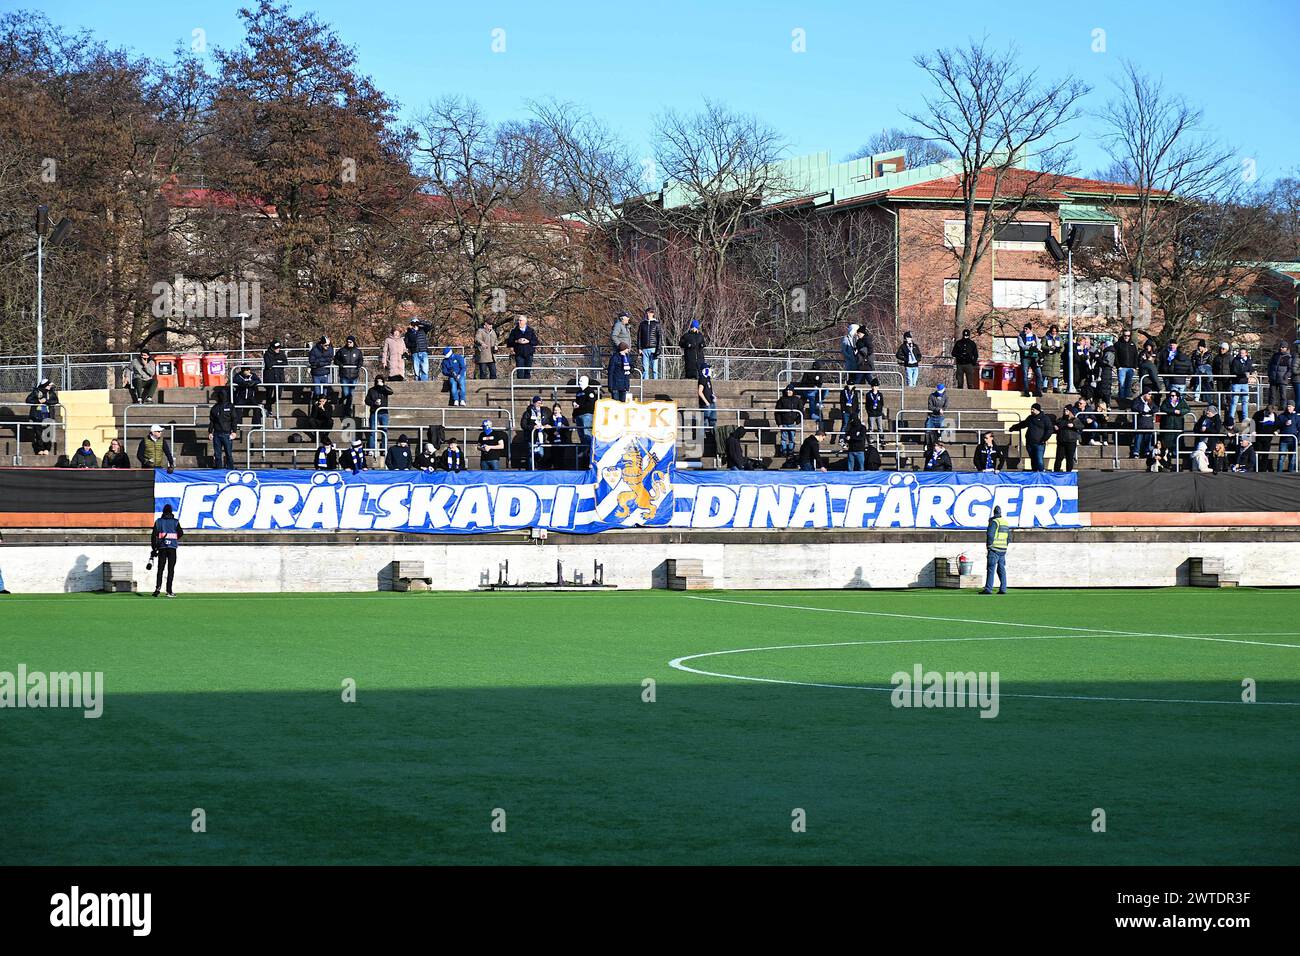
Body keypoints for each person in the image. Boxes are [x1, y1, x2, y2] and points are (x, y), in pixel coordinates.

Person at [149, 503, 183, 598]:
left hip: (162, 548)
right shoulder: (175, 522)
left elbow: (153, 536)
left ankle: (157, 589)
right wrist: (174, 539)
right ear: (171, 512)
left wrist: (154, 548)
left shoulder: (159, 522)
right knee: (170, 570)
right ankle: (169, 591)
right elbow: (181, 533)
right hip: (172, 548)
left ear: (163, 512)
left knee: (160, 569)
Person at [1008, 403, 1053, 472]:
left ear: (1037, 410)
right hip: (1030, 443)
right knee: (1033, 460)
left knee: (1039, 460)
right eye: (1031, 409)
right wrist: (1013, 427)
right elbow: (1023, 424)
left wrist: (1044, 439)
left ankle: (1041, 474)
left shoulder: (1045, 418)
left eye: (1033, 409)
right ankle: (1034, 474)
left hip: (1039, 443)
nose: (1031, 411)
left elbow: (1049, 429)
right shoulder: (1030, 418)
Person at [980, 505, 1010, 595]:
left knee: (991, 569)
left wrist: (989, 545)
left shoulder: (994, 522)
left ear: (994, 512)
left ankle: (988, 589)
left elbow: (990, 535)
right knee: (1001, 569)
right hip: (1003, 550)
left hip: (994, 549)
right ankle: (1003, 589)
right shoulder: (1005, 522)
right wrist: (1005, 546)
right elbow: (1009, 537)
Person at [25, 378, 58, 455]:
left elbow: (56, 401)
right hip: (37, 415)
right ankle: (40, 449)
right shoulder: (36, 391)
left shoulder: (51, 392)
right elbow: (28, 400)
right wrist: (38, 401)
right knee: (38, 433)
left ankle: (47, 448)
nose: (50, 386)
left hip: (48, 415)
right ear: (45, 385)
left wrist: (46, 401)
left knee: (48, 433)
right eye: (49, 385)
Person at [207, 387, 238, 469]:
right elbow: (212, 421)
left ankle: (230, 469)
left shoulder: (230, 406)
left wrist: (234, 431)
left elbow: (234, 419)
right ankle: (218, 470)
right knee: (217, 454)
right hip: (217, 434)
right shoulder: (215, 408)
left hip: (227, 434)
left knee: (228, 454)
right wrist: (210, 432)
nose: (222, 397)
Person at [334, 336, 364, 415]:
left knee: (350, 394)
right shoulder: (342, 351)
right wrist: (339, 364)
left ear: (353, 342)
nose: (349, 343)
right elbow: (336, 359)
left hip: (354, 376)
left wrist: (359, 364)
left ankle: (347, 411)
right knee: (346, 393)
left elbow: (361, 360)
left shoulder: (357, 351)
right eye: (347, 342)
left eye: (350, 342)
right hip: (344, 375)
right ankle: (342, 399)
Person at [572, 375, 599, 462]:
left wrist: (580, 406)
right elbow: (576, 405)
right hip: (579, 415)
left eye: (581, 381)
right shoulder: (578, 392)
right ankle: (584, 450)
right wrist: (574, 415)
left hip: (586, 414)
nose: (580, 382)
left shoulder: (590, 391)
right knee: (581, 434)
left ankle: (589, 451)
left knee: (587, 433)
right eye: (579, 381)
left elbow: (590, 404)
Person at [1159, 388, 1190, 465]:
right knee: (1168, 439)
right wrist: (1173, 411)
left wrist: (1180, 412)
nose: (1171, 397)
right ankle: (1168, 453)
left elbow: (1187, 409)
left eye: (1173, 396)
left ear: (1177, 396)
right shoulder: (1166, 401)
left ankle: (1176, 453)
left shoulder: (1181, 402)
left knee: (1177, 439)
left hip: (1178, 424)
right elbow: (1163, 408)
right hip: (1168, 424)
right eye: (1170, 395)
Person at [364, 375, 393, 450]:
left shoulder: (385, 390)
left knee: (384, 431)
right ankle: (372, 449)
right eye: (378, 381)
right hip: (374, 412)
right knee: (372, 431)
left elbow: (391, 392)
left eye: (381, 381)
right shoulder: (371, 390)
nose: (379, 382)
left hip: (384, 413)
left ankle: (384, 448)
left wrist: (383, 386)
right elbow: (367, 401)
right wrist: (374, 403)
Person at [505, 316, 538, 380]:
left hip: (529, 353)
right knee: (520, 372)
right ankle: (519, 387)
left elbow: (535, 341)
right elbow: (509, 343)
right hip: (519, 354)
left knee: (527, 371)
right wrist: (517, 341)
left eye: (521, 320)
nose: (519, 322)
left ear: (525, 322)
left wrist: (528, 341)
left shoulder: (530, 330)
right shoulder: (514, 331)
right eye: (519, 320)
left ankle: (527, 387)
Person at [774, 386, 802, 457]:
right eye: (787, 391)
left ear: (793, 391)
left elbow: (801, 411)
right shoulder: (781, 400)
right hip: (784, 423)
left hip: (792, 423)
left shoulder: (797, 399)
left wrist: (797, 421)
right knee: (783, 438)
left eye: (790, 391)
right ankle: (783, 451)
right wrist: (779, 423)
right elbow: (777, 413)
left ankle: (790, 452)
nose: (788, 392)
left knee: (792, 438)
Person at [1130, 390, 1157, 460]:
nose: (1150, 396)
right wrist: (1142, 410)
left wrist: (1151, 411)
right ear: (1144, 394)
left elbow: (1156, 408)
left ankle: (1147, 451)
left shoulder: (1150, 401)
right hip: (1140, 422)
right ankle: (1136, 452)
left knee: (1148, 438)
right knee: (1138, 438)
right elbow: (1134, 407)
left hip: (1149, 423)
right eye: (1149, 394)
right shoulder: (1137, 400)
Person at [1016, 324, 1042, 397]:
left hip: (1034, 357)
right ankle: (1026, 390)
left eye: (1026, 329)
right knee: (1025, 374)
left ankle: (1038, 390)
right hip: (1025, 357)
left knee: (1038, 374)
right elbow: (1022, 346)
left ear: (1030, 329)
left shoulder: (1034, 336)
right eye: (1024, 328)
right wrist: (1030, 347)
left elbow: (1039, 344)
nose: (1025, 330)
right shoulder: (1020, 336)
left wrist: (1036, 348)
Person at [1229, 348, 1254, 423]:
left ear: (1246, 353)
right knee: (1234, 401)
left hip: (1245, 384)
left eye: (1243, 353)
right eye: (1240, 353)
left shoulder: (1249, 361)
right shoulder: (1235, 360)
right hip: (1236, 383)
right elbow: (1234, 370)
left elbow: (1251, 369)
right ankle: (1231, 418)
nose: (1241, 354)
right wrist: (1244, 373)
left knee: (1245, 401)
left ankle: (1245, 418)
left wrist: (1252, 374)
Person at [1053, 407, 1081, 473]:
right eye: (1064, 411)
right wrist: (1055, 427)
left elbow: (1081, 426)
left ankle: (1068, 472)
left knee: (1069, 458)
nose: (1065, 412)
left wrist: (1073, 425)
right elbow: (1055, 425)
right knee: (1059, 458)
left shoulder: (1074, 419)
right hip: (1061, 442)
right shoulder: (1060, 420)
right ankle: (1056, 472)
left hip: (1071, 442)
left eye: (1067, 411)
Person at [1267, 342, 1294, 410]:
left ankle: (1283, 408)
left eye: (1283, 347)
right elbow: (1269, 365)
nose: (1281, 348)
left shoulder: (1289, 357)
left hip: (1282, 379)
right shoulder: (1275, 355)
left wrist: (1286, 376)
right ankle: (1270, 408)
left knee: (1283, 395)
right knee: (1272, 394)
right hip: (1273, 378)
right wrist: (1269, 374)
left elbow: (1290, 369)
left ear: (1286, 348)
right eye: (1280, 347)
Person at [1114, 330, 1139, 401]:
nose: (1126, 337)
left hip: (1130, 368)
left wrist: (1134, 367)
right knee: (1122, 384)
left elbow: (1135, 356)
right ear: (1123, 335)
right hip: (1122, 368)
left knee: (1128, 385)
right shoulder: (1118, 344)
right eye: (1125, 335)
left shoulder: (1132, 344)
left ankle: (1127, 400)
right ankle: (1121, 399)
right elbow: (1115, 356)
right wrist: (1118, 367)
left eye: (1128, 335)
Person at [637, 307, 662, 380]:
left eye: (650, 313)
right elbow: (639, 336)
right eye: (647, 313)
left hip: (653, 349)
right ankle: (645, 385)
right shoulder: (642, 324)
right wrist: (639, 348)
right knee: (645, 369)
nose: (648, 314)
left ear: (653, 314)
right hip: (644, 349)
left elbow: (659, 337)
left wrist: (658, 349)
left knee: (655, 369)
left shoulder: (656, 324)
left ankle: (655, 384)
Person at [1252, 405, 1278, 472]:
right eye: (1269, 413)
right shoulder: (1258, 414)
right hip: (1258, 439)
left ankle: (1263, 470)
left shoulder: (1274, 415)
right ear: (1266, 411)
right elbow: (1252, 422)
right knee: (1258, 454)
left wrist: (1275, 430)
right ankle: (1256, 469)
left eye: (1272, 413)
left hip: (1268, 439)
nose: (1270, 414)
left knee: (1265, 455)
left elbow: (1276, 424)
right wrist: (1253, 431)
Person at [1275, 400, 1299, 473]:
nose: (1289, 408)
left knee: (1292, 459)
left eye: (1290, 406)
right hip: (1284, 440)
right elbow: (1276, 426)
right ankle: (1279, 474)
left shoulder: (1297, 417)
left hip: (1293, 440)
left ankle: (1290, 473)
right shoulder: (1281, 416)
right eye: (1288, 406)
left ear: (1293, 407)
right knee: (1281, 458)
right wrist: (1284, 424)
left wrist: (1297, 439)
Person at [1041, 325, 1064, 393]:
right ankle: (1045, 387)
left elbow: (1062, 347)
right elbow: (1042, 346)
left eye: (1055, 331)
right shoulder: (1046, 337)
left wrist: (1059, 350)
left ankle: (1055, 387)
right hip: (1048, 357)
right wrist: (1049, 348)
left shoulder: (1059, 338)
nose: (1054, 332)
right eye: (1053, 331)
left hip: (1056, 358)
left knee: (1056, 374)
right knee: (1046, 373)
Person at [863, 379, 886, 448]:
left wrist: (879, 410)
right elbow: (867, 405)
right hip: (871, 414)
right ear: (871, 387)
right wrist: (869, 412)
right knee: (871, 427)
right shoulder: (868, 394)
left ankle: (882, 439)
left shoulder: (880, 394)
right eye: (873, 386)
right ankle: (871, 439)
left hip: (878, 413)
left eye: (876, 386)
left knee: (880, 427)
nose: (875, 388)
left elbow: (882, 403)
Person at [697, 363, 717, 432]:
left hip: (712, 403)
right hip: (705, 405)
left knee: (713, 421)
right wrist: (706, 402)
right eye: (708, 369)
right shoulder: (702, 379)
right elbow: (700, 392)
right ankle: (704, 438)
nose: (710, 370)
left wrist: (714, 396)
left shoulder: (708, 379)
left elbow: (710, 390)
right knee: (704, 422)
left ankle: (713, 436)